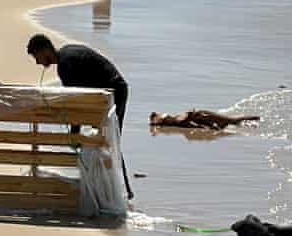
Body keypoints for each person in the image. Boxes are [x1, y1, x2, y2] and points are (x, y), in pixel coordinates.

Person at [26, 34, 133, 199]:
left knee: (110, 140)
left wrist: (74, 134)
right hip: (107, 93)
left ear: (45, 49)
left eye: (36, 57)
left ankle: (120, 192)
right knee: (107, 140)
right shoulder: (66, 54)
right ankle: (115, 191)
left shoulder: (65, 65)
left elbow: (76, 101)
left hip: (113, 93)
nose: (38, 62)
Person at [149, 110, 259, 129]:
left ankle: (255, 119)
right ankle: (254, 120)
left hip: (201, 116)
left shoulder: (170, 120)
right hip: (201, 116)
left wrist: (188, 114)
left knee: (232, 121)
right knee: (232, 122)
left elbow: (182, 120)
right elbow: (183, 120)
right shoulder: (170, 121)